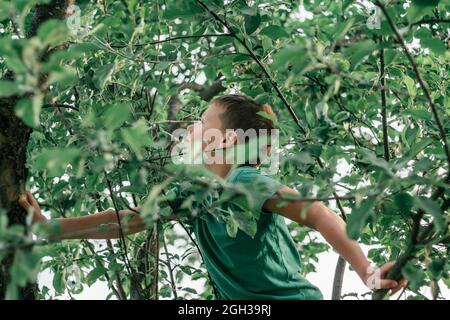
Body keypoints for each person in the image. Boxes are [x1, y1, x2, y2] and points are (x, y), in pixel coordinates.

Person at [19, 94, 407, 299]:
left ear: (227, 142)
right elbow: (131, 220)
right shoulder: (189, 192)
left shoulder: (246, 181)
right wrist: (53, 228)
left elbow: (318, 213)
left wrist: (366, 272)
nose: (191, 127)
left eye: (202, 122)